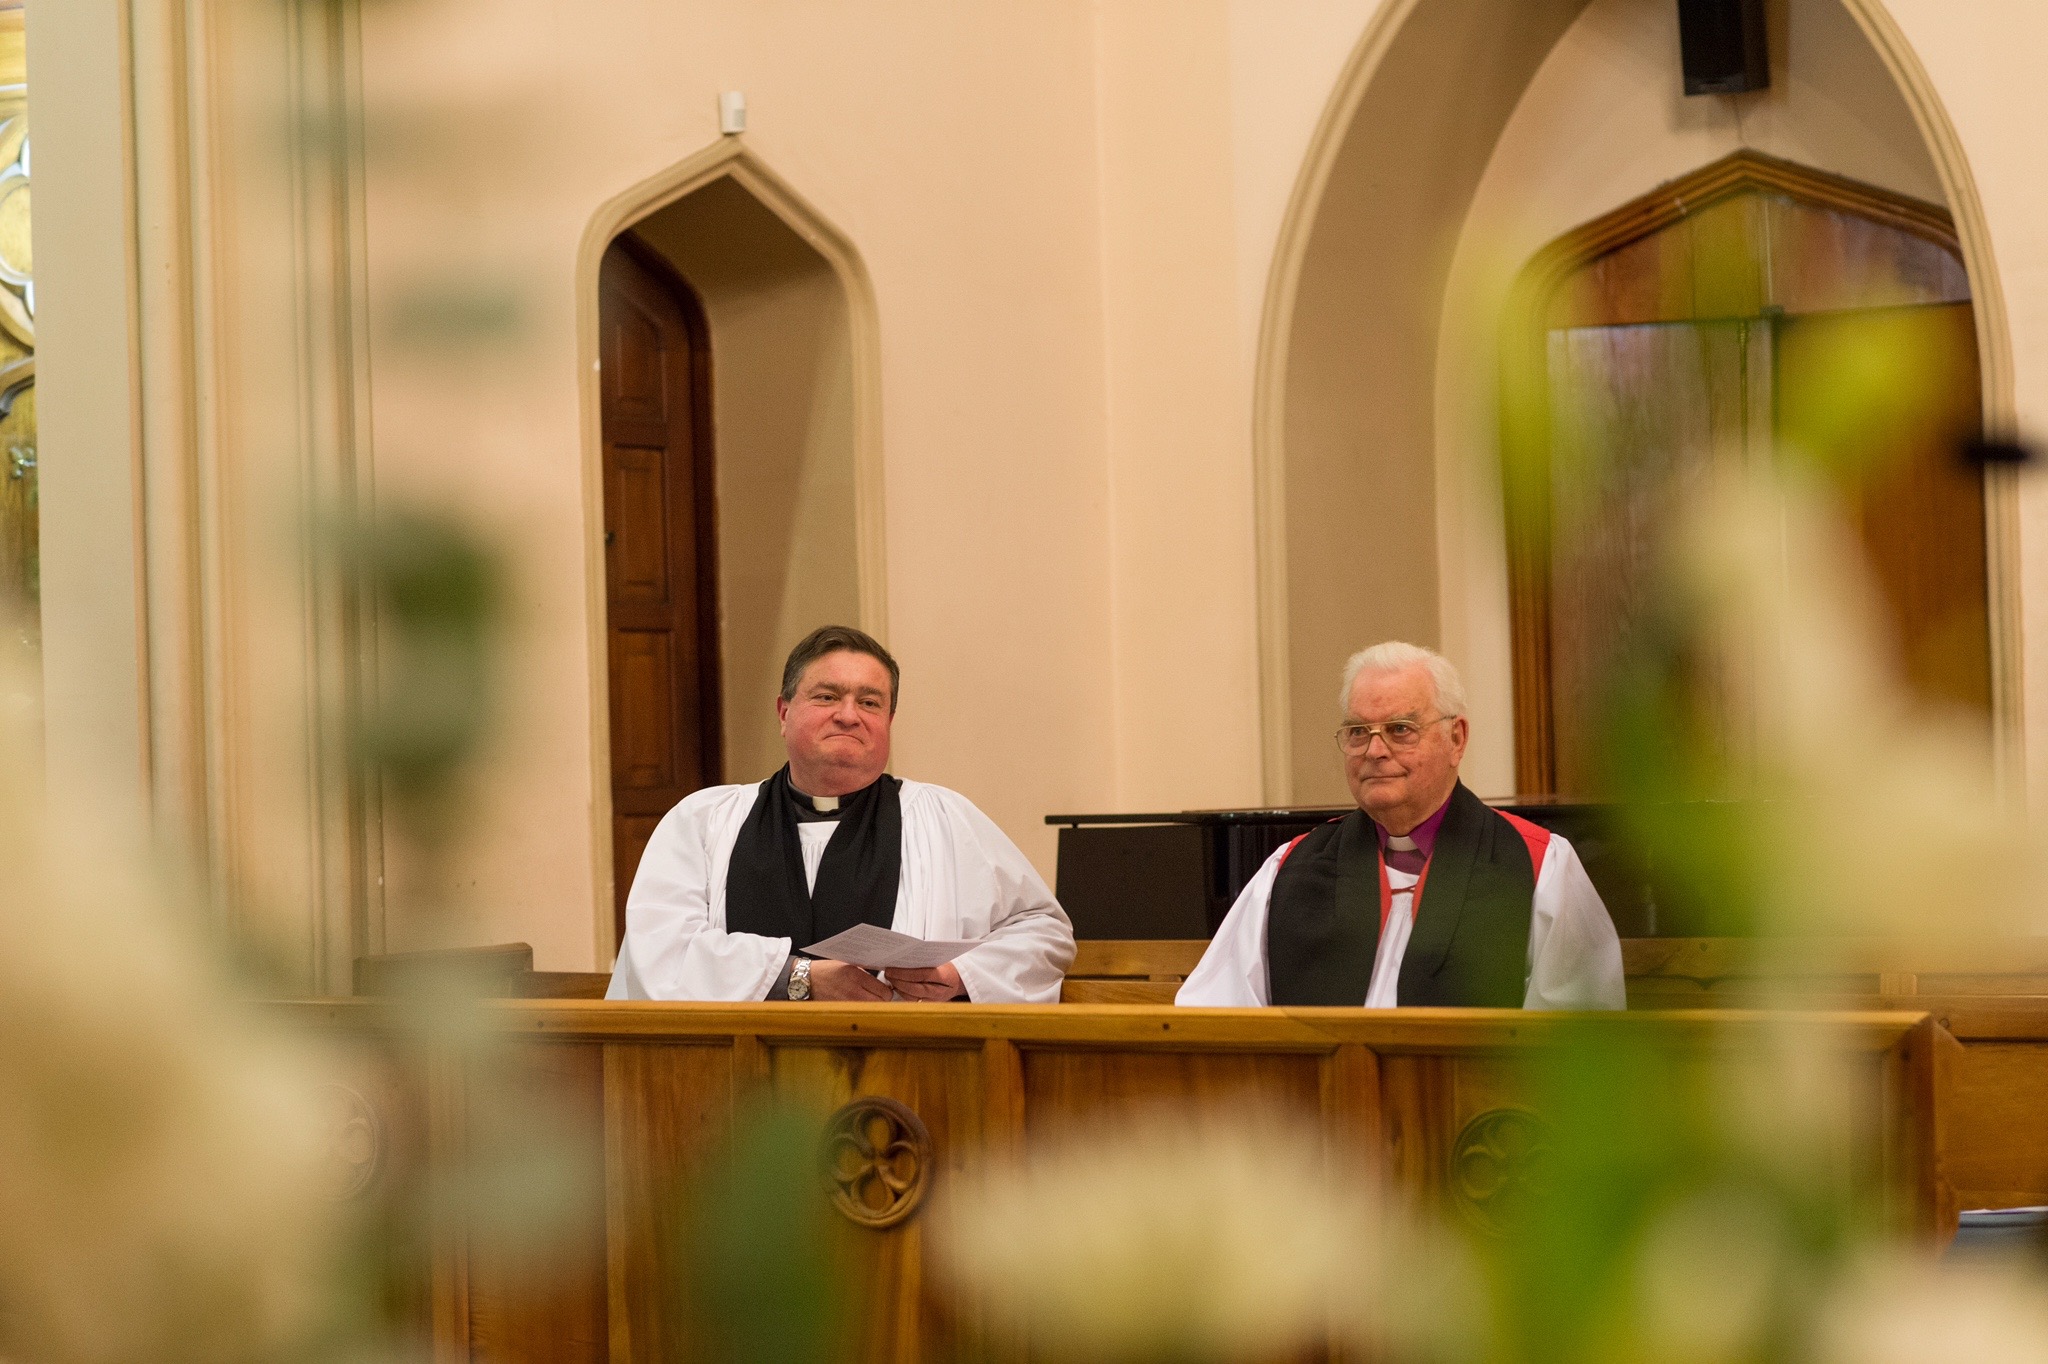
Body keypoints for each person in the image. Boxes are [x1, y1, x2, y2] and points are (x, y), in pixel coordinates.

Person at [607, 625, 1075, 1003]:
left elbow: (1042, 932)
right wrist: (799, 977)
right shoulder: (704, 820)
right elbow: (662, 948)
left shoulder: (944, 819)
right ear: (784, 712)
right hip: (733, 1076)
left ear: (888, 721)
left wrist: (960, 975)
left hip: (907, 1071)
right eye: (827, 696)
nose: (849, 716)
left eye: (870, 702)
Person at [1177, 642, 1624, 1010]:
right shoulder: (1289, 870)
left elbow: (1578, 1041)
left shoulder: (1539, 864)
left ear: (1456, 738)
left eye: (1400, 729)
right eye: (1358, 731)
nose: (1374, 751)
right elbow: (1213, 1016)